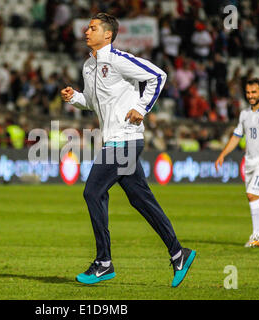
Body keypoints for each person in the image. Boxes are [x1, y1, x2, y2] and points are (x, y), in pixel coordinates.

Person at [60, 13, 196, 287]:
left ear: (107, 35)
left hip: (125, 139)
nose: (87, 31)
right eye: (87, 27)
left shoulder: (119, 60)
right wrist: (75, 97)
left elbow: (158, 75)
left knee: (93, 192)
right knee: (141, 200)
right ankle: (179, 252)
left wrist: (142, 108)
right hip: (114, 140)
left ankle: (103, 262)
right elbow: (92, 101)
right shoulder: (89, 66)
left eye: (93, 28)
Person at [215, 78, 259, 248]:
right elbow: (236, 136)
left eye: (254, 92)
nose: (250, 95)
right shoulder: (245, 114)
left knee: (252, 194)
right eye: (248, 92)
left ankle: (257, 236)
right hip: (250, 164)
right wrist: (223, 154)